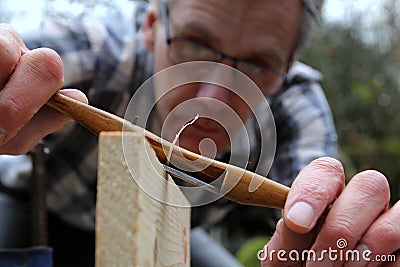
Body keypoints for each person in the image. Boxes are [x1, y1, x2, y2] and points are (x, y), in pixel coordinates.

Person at [0, 0, 398, 266]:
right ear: (152, 25)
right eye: (196, 44)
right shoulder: (97, 47)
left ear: (289, 65)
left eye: (258, 65)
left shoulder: (296, 108)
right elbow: (23, 53)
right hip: (39, 208)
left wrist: (349, 239)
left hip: (174, 239)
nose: (214, 101)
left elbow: (320, 214)